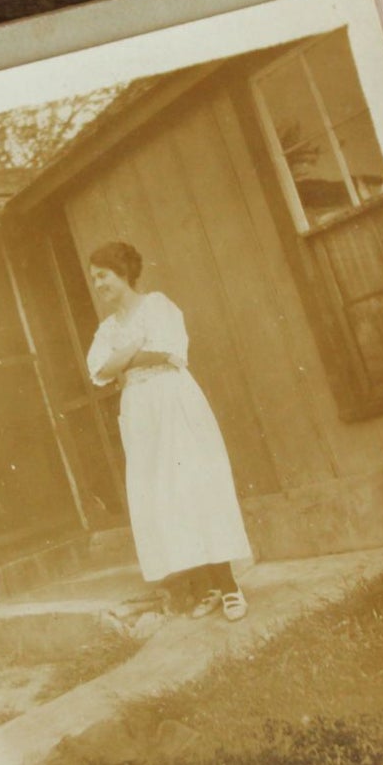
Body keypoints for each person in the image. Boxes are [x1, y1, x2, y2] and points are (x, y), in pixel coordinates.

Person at [84, 241, 253, 621]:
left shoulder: (158, 306)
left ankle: (229, 586)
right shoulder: (107, 328)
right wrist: (135, 346)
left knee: (195, 484)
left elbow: (165, 351)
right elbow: (99, 370)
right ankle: (207, 586)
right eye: (94, 278)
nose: (98, 284)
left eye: (103, 275)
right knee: (165, 495)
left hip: (172, 400)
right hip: (140, 412)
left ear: (124, 273)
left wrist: (123, 357)